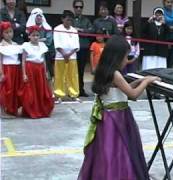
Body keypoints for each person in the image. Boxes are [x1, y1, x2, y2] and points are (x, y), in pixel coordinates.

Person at [77, 35, 159, 180]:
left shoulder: (103, 70)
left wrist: (139, 80)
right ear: (117, 56)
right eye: (126, 57)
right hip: (117, 118)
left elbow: (121, 90)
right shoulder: (116, 74)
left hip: (106, 117)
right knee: (120, 151)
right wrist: (146, 82)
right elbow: (133, 95)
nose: (127, 61)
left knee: (107, 152)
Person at [20, 25, 54, 118]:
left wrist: (46, 72)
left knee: (40, 89)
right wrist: (24, 74)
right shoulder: (26, 46)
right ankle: (31, 110)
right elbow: (23, 61)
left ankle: (41, 109)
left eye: (37, 35)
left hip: (40, 70)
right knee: (31, 90)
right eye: (33, 35)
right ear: (29, 36)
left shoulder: (42, 46)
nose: (35, 37)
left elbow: (43, 60)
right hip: (30, 69)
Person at [53, 10, 80, 103]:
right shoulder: (57, 29)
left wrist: (69, 54)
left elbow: (77, 45)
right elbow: (57, 43)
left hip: (72, 56)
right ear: (62, 19)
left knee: (72, 76)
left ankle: (74, 94)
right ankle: (59, 95)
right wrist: (64, 54)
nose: (69, 22)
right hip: (60, 56)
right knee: (59, 76)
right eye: (67, 20)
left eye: (71, 20)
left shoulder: (74, 30)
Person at [0, 21, 22, 118]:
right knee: (6, 90)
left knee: (14, 90)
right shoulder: (1, 46)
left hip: (16, 69)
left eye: (10, 32)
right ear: (2, 34)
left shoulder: (15, 44)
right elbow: (0, 61)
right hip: (7, 69)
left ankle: (12, 109)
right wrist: (1, 73)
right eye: (6, 32)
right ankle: (3, 111)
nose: (9, 34)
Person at [26, 8, 54, 80]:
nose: (39, 17)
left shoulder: (47, 28)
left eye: (40, 16)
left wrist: (35, 40)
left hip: (45, 53)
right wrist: (42, 39)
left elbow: (48, 41)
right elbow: (28, 40)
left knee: (47, 74)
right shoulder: (28, 28)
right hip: (32, 54)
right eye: (37, 16)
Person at [73, 0, 93, 97]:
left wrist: (80, 30)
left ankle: (81, 89)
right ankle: (73, 89)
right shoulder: (70, 19)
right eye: (76, 7)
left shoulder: (86, 20)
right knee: (73, 70)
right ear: (74, 8)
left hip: (83, 47)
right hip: (72, 49)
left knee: (81, 70)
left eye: (80, 7)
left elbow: (91, 30)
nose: (78, 9)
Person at [162, 0, 173, 68]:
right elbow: (162, 24)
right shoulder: (162, 11)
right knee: (164, 58)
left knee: (171, 59)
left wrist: (169, 26)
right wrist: (172, 27)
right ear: (164, 3)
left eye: (171, 2)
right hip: (164, 37)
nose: (170, 4)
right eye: (168, 2)